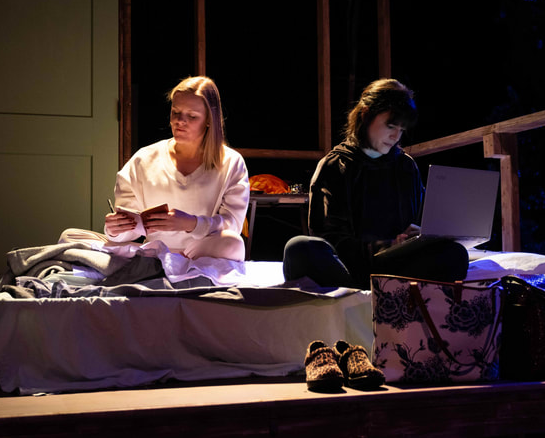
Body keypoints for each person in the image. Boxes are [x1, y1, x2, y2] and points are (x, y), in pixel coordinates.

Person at [282, 78, 468, 289]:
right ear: (366, 115)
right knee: (300, 248)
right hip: (348, 272)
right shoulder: (336, 165)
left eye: (401, 129)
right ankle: (358, 298)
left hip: (396, 268)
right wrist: (388, 245)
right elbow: (330, 240)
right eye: (391, 126)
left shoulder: (405, 166)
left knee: (454, 254)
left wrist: (419, 237)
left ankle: (391, 295)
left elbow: (420, 222)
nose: (396, 136)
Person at [60, 76, 249, 261]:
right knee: (69, 236)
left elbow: (232, 224)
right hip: (154, 253)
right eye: (175, 112)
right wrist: (115, 230)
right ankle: (166, 264)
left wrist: (191, 223)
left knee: (233, 243)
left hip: (201, 254)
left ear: (209, 120)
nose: (179, 121)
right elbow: (130, 231)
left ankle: (180, 264)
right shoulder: (144, 159)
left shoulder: (231, 162)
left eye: (192, 116)